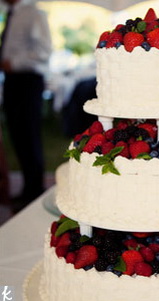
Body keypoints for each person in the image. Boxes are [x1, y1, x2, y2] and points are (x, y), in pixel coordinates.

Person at [0, 0, 52, 212]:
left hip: (28, 81)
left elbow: (44, 51)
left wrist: (14, 62)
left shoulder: (34, 13)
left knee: (29, 134)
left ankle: (34, 190)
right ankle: (28, 188)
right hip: (12, 81)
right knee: (17, 134)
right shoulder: (10, 13)